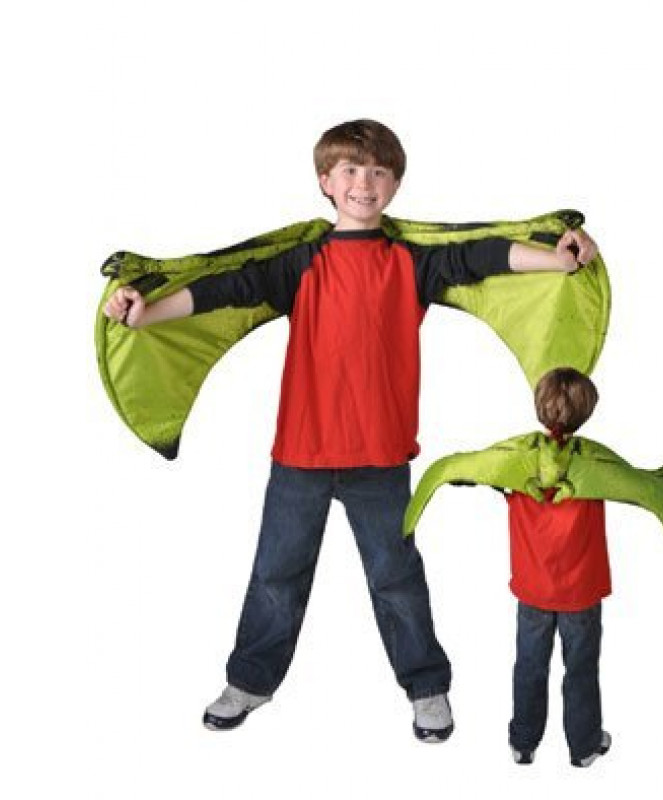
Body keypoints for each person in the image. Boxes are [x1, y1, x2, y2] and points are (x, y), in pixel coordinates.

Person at [103, 119, 598, 742]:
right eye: (351, 170)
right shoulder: (301, 262)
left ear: (394, 185)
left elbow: (483, 256)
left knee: (396, 579)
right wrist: (147, 313)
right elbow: (225, 288)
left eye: (379, 171)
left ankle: (426, 687)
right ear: (326, 182)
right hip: (301, 454)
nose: (365, 182)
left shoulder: (411, 262)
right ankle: (250, 681)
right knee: (276, 576)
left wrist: (555, 258)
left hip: (380, 456)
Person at [506, 367, 611, 767]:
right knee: (580, 670)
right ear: (586, 412)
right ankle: (584, 746)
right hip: (580, 592)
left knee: (529, 666)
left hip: (533, 589)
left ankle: (523, 742)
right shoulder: (595, 464)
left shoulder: (518, 462)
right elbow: (635, 484)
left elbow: (483, 471)